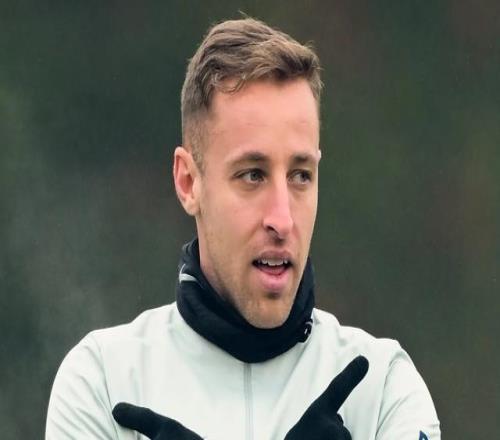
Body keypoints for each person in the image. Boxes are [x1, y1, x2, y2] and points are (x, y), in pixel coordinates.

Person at [46, 17, 441, 440]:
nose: (282, 219)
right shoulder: (100, 381)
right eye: (253, 175)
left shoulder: (384, 387)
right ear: (188, 182)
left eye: (301, 175)